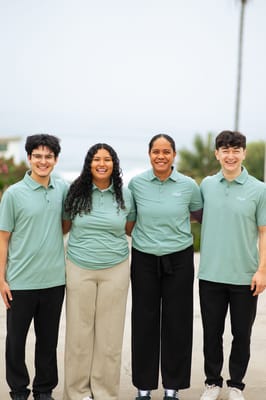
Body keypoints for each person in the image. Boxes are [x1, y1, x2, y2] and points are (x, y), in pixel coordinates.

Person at [128, 133, 203, 400]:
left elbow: (199, 215)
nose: (161, 156)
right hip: (144, 259)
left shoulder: (188, 185)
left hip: (180, 260)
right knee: (144, 322)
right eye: (156, 151)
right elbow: (129, 222)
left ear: (174, 155)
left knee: (178, 323)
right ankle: (144, 387)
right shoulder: (136, 184)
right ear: (149, 154)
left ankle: (173, 387)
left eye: (166, 151)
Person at [63, 143, 135, 400]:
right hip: (78, 267)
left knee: (109, 336)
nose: (102, 163)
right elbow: (64, 226)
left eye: (107, 159)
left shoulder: (125, 195)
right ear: (89, 163)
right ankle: (77, 392)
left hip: (115, 269)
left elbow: (129, 228)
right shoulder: (74, 192)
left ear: (114, 164)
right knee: (78, 334)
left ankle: (104, 393)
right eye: (96, 159)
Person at [198, 130, 266, 400]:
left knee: (242, 335)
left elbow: (264, 232)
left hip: (245, 276)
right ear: (217, 154)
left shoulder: (259, 189)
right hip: (211, 275)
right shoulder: (206, 185)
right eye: (225, 150)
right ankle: (212, 383)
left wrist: (262, 270)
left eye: (236, 150)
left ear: (244, 153)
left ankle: (236, 385)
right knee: (212, 334)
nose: (230, 155)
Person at [0, 134, 68, 400]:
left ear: (55, 160)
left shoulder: (62, 188)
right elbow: (3, 238)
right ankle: (18, 390)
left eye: (48, 156)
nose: (43, 161)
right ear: (29, 158)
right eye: (37, 156)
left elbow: (66, 224)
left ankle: (43, 390)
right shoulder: (14, 194)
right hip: (20, 282)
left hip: (54, 280)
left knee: (48, 342)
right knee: (15, 341)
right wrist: (1, 279)